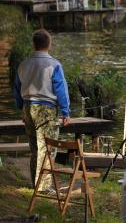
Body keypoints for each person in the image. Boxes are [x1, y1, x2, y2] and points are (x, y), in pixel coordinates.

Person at [13, 29, 70, 193]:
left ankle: (35, 183)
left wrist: (20, 108)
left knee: (35, 149)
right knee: (47, 149)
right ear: (49, 44)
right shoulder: (54, 64)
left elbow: (16, 89)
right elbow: (61, 90)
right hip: (47, 109)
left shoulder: (23, 64)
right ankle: (43, 188)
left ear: (34, 44)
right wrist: (66, 112)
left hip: (28, 107)